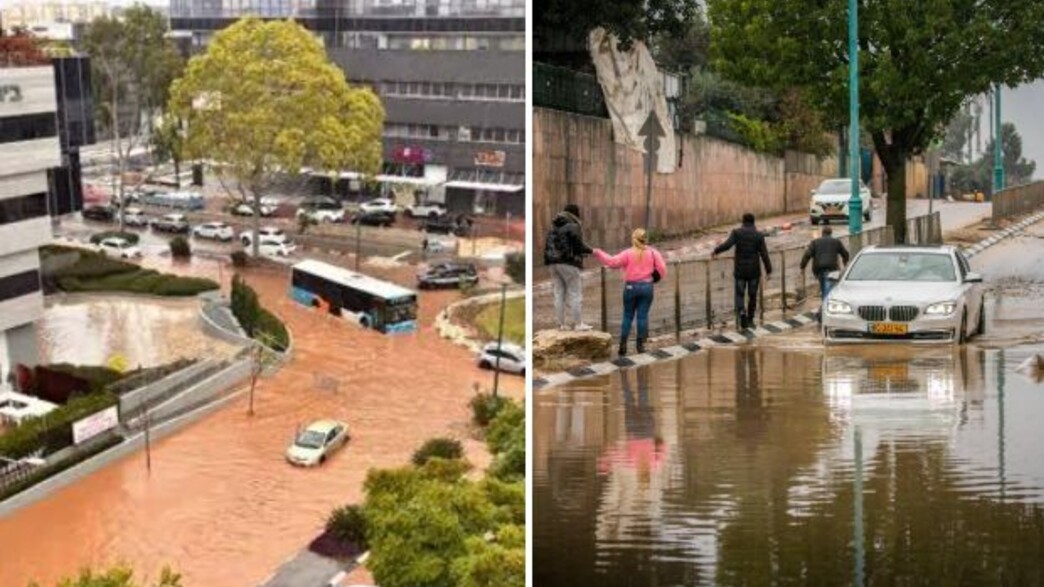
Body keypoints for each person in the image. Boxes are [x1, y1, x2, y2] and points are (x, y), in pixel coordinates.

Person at [593, 228, 667, 356]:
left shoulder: (627, 253)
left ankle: (623, 346)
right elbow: (662, 267)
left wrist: (598, 252)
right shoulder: (653, 252)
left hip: (630, 287)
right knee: (642, 316)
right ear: (646, 239)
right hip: (647, 287)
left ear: (633, 239)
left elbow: (612, 262)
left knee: (627, 316)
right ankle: (640, 345)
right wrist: (655, 278)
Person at [712, 213, 773, 330]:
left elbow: (727, 245)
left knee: (739, 294)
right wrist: (768, 270)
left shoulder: (737, 233)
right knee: (752, 296)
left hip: (740, 271)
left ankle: (741, 312)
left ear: (743, 221)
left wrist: (716, 251)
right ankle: (750, 320)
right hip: (754, 272)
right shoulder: (759, 235)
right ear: (753, 222)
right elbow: (764, 254)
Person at [544, 203, 594, 330]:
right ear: (575, 214)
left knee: (558, 293)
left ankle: (561, 325)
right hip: (568, 263)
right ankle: (578, 324)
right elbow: (578, 245)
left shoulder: (553, 226)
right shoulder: (573, 225)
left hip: (552, 263)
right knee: (575, 293)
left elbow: (551, 245)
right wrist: (591, 251)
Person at [800, 225, 849, 302]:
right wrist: (845, 262)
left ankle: (825, 304)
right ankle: (826, 305)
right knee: (829, 290)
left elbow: (807, 255)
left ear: (822, 233)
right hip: (832, 269)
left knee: (824, 289)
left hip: (819, 269)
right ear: (831, 233)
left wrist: (802, 266)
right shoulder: (836, 242)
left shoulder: (815, 242)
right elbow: (845, 253)